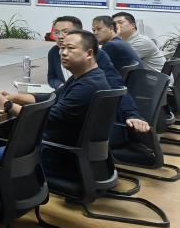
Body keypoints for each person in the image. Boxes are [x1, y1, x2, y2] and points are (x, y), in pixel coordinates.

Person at [0, 31, 112, 176]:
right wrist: (14, 97)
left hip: (58, 157)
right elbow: (51, 97)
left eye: (70, 48)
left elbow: (47, 119)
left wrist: (7, 105)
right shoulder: (88, 77)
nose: (63, 53)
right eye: (62, 48)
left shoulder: (87, 86)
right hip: (70, 152)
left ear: (89, 53)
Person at [16, 20, 148, 141]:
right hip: (67, 101)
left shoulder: (96, 60)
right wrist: (62, 87)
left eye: (66, 32)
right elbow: (52, 79)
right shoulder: (55, 53)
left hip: (76, 124)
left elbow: (116, 86)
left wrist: (132, 114)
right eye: (56, 32)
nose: (61, 36)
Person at [112, 11, 168, 76]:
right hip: (148, 78)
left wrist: (110, 37)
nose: (116, 26)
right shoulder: (125, 40)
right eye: (114, 24)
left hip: (156, 80)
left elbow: (119, 63)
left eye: (120, 22)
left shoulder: (141, 41)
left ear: (133, 25)